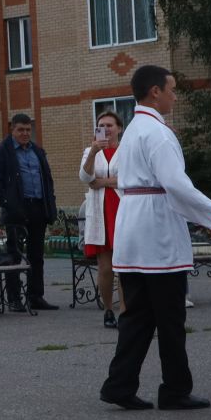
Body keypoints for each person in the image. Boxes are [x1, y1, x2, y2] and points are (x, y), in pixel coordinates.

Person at [99, 66, 211, 411]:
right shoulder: (158, 133)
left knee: (137, 316)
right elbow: (177, 185)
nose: (175, 96)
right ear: (154, 92)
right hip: (156, 235)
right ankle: (175, 389)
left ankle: (119, 385)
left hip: (133, 229)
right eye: (172, 89)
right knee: (170, 316)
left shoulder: (134, 130)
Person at [0, 113, 58, 311]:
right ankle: (14, 298)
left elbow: (47, 179)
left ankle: (36, 296)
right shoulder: (2, 151)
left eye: (28, 130)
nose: (25, 133)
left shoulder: (37, 151)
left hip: (38, 208)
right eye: (21, 130)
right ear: (12, 129)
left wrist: (50, 202)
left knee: (36, 255)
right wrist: (8, 202)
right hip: (15, 210)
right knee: (14, 255)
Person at [79, 111, 126, 327]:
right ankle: (108, 309)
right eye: (101, 125)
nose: (106, 129)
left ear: (119, 128)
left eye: (110, 125)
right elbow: (86, 177)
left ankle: (126, 312)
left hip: (122, 209)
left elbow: (129, 178)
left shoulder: (127, 150)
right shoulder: (91, 151)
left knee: (124, 266)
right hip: (100, 212)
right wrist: (93, 153)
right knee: (105, 268)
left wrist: (103, 182)